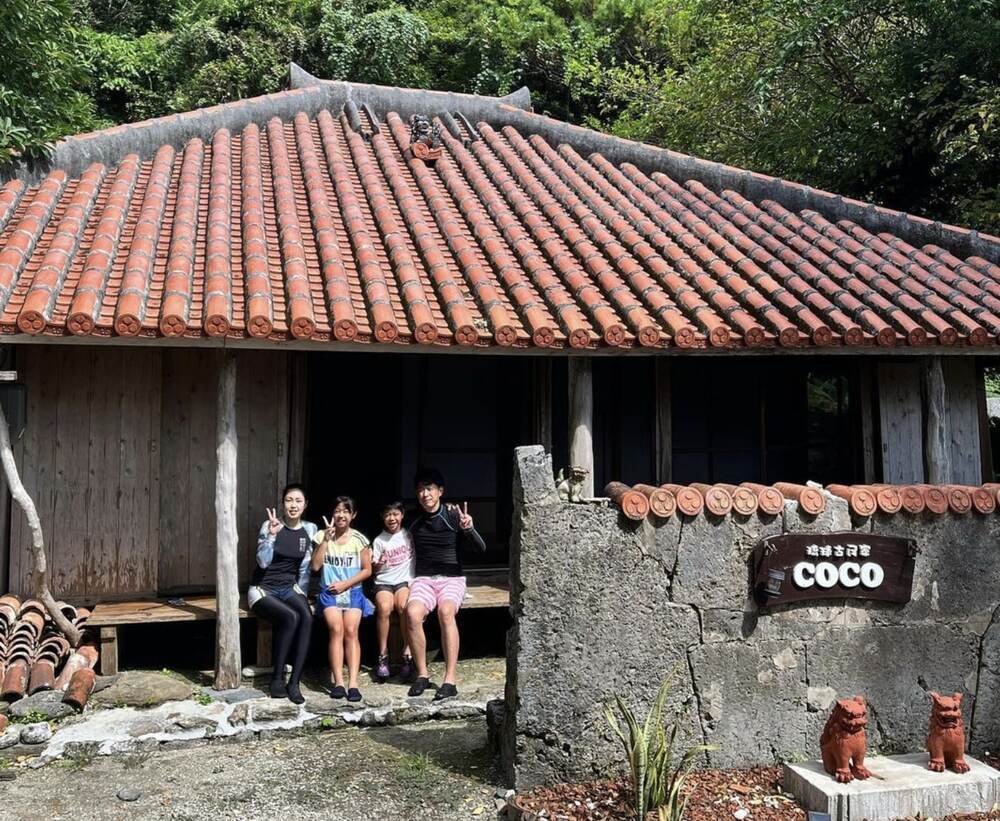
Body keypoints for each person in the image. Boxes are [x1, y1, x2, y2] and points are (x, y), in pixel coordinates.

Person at [405, 468, 486, 701]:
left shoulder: (453, 515)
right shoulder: (412, 519)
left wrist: (468, 528)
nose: (425, 494)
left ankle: (450, 679)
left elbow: (480, 549)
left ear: (440, 491)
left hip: (452, 578)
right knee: (412, 613)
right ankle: (422, 674)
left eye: (430, 489)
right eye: (420, 489)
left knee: (446, 611)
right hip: (423, 579)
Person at [250, 484, 317, 704]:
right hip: (263, 588)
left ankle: (294, 682)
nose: (293, 505)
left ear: (305, 505)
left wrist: (302, 596)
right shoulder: (270, 525)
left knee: (306, 616)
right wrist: (271, 536)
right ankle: (277, 678)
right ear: (283, 503)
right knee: (291, 617)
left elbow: (305, 568)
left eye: (298, 501)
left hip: (289, 587)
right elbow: (262, 562)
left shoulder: (310, 529)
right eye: (289, 500)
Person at [312, 496, 373, 702]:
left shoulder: (359, 540)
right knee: (336, 628)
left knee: (351, 630)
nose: (341, 515)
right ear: (332, 513)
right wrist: (326, 541)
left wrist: (346, 584)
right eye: (337, 511)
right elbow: (315, 566)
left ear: (353, 515)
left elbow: (367, 570)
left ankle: (353, 683)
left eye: (346, 511)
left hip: (352, 591)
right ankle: (338, 682)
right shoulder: (322, 535)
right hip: (329, 592)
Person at [371, 501, 416, 682]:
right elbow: (374, 570)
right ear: (382, 517)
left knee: (403, 606)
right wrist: (379, 563)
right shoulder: (379, 540)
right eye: (388, 515)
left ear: (402, 515)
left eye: (395, 514)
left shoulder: (408, 535)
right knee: (384, 608)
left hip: (404, 581)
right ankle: (383, 655)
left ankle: (407, 651)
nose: (392, 518)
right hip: (384, 582)